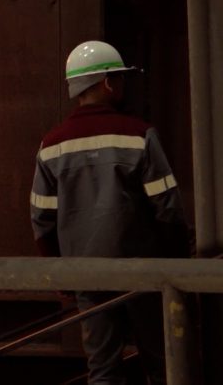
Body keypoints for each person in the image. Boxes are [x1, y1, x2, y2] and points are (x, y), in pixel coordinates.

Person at [30, 40, 189, 385]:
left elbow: (41, 220)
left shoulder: (52, 145)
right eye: (119, 77)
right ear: (107, 83)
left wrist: (62, 273)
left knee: (103, 371)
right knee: (164, 364)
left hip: (85, 273)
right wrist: (177, 261)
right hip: (143, 273)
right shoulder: (139, 135)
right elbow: (168, 209)